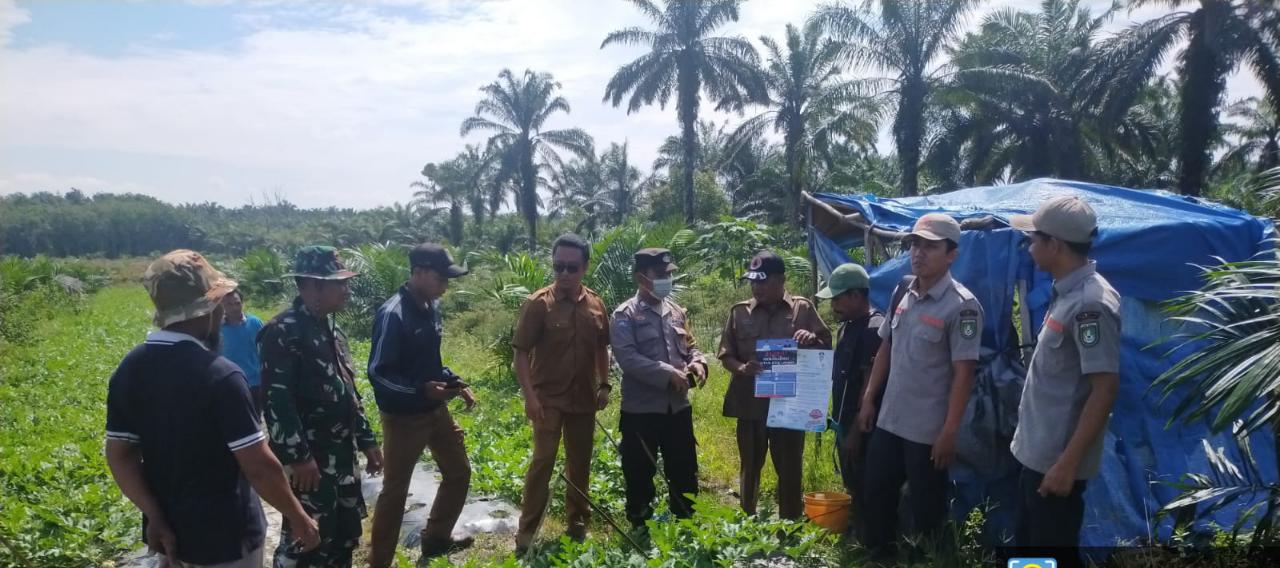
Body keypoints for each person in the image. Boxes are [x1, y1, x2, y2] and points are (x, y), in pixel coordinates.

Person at [105, 249, 319, 568]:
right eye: (218, 301)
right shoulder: (220, 376)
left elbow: (120, 454)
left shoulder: (130, 369)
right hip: (228, 540)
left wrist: (153, 514)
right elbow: (258, 466)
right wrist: (298, 516)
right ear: (207, 308)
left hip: (170, 535)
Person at [858, 213, 983, 558]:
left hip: (927, 431)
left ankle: (929, 560)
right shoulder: (902, 290)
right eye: (915, 244)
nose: (919, 252)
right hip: (890, 419)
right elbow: (886, 346)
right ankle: (879, 557)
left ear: (952, 254)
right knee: (877, 491)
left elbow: (964, 373)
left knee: (927, 506)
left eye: (930, 246)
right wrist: (869, 399)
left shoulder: (963, 306)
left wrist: (949, 431)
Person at [1009, 196, 1120, 561]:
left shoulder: (1091, 304)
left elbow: (1104, 389)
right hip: (1037, 453)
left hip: (1056, 464)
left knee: (1050, 551)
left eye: (1033, 239)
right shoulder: (1066, 294)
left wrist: (1067, 465)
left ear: (1053, 244)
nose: (1028, 247)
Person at [259, 245, 384, 568]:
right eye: (338, 283)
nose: (346, 289)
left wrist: (367, 440)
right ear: (313, 285)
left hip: (341, 455)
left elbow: (347, 390)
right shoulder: (283, 332)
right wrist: (298, 458)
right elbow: (276, 403)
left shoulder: (331, 329)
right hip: (311, 464)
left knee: (343, 535)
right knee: (306, 538)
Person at [366, 243, 478, 566]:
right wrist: (420, 391)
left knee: (459, 471)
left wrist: (455, 383)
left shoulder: (432, 307)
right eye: (441, 277)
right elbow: (378, 373)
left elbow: (431, 362)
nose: (446, 283)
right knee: (395, 491)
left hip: (435, 412)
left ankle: (436, 538)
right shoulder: (393, 314)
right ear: (419, 273)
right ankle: (380, 562)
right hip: (403, 420)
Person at [512, 234, 611, 555]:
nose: (564, 274)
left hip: (583, 399)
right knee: (543, 462)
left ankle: (578, 521)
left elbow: (601, 348)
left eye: (571, 267)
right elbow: (521, 354)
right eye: (558, 267)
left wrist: (604, 383)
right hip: (547, 400)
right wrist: (530, 397)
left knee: (581, 462)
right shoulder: (538, 304)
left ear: (584, 267)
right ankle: (527, 531)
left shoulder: (596, 304)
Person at [717, 250, 831, 520]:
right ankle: (747, 520)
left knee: (790, 466)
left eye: (763, 281)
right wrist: (742, 368)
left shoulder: (803, 309)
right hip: (750, 403)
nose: (756, 287)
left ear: (780, 280)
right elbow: (726, 354)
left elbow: (826, 345)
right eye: (753, 282)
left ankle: (789, 522)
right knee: (750, 464)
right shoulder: (739, 312)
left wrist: (811, 338)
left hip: (790, 405)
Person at [610, 248, 709, 529]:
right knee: (639, 470)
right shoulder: (624, 315)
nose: (668, 279)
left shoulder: (676, 311)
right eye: (661, 275)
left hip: (677, 408)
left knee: (684, 467)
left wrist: (698, 363)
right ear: (642, 278)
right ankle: (640, 524)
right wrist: (668, 374)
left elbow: (691, 346)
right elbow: (628, 358)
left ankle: (685, 523)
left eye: (669, 274)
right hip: (641, 411)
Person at [815, 262, 883, 539]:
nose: (833, 306)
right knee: (852, 479)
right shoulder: (847, 327)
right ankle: (859, 531)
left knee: (868, 481)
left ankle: (872, 543)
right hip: (844, 421)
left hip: (863, 426)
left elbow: (870, 385)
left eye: (838, 298)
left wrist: (855, 430)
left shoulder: (873, 329)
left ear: (856, 296)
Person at [219, 289, 266, 413]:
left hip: (255, 382)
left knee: (256, 420)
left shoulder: (255, 323)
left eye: (237, 303)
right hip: (230, 384)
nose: (235, 307)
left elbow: (266, 350)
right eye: (229, 304)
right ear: (222, 306)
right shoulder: (217, 329)